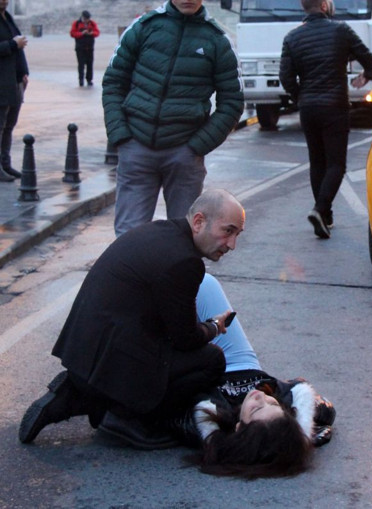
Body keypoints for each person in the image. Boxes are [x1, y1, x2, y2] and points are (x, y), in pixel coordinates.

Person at [18, 189, 245, 448]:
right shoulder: (185, 261)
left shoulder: (157, 232)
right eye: (228, 231)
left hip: (81, 353)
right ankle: (127, 417)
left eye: (237, 234)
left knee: (168, 348)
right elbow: (186, 339)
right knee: (212, 360)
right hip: (113, 358)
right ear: (198, 221)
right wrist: (214, 327)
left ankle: (76, 393)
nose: (231, 244)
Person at [162, 274, 335, 477]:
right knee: (205, 282)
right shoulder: (278, 402)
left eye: (256, 409)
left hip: (200, 365)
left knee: (170, 290)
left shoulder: (214, 416)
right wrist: (303, 436)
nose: (261, 396)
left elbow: (169, 417)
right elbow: (324, 408)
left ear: (239, 428)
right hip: (240, 362)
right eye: (273, 404)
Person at [102, 0, 243, 237]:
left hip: (184, 155)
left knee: (184, 237)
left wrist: (197, 146)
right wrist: (121, 136)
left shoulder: (218, 40)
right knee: (128, 237)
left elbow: (232, 102)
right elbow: (113, 82)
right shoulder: (143, 27)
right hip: (136, 147)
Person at [280, 0, 372, 239]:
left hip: (308, 109)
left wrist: (300, 97)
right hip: (335, 106)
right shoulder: (341, 30)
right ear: (324, 6)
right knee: (336, 164)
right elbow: (369, 59)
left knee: (317, 162)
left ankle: (326, 216)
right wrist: (367, 75)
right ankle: (320, 209)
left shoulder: (292, 38)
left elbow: (286, 77)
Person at [0, 0, 28, 182]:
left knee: (9, 126)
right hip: (2, 83)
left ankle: (5, 164)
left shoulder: (7, 18)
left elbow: (19, 50)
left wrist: (24, 72)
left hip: (14, 81)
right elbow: (14, 45)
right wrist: (12, 44)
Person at [70, 10, 99, 87]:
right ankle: (81, 80)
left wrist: (91, 33)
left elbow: (97, 32)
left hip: (90, 48)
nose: (87, 20)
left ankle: (89, 80)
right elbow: (72, 33)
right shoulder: (76, 23)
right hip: (80, 48)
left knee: (90, 64)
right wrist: (81, 33)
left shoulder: (92, 23)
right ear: (82, 17)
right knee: (81, 65)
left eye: (88, 19)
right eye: (86, 19)